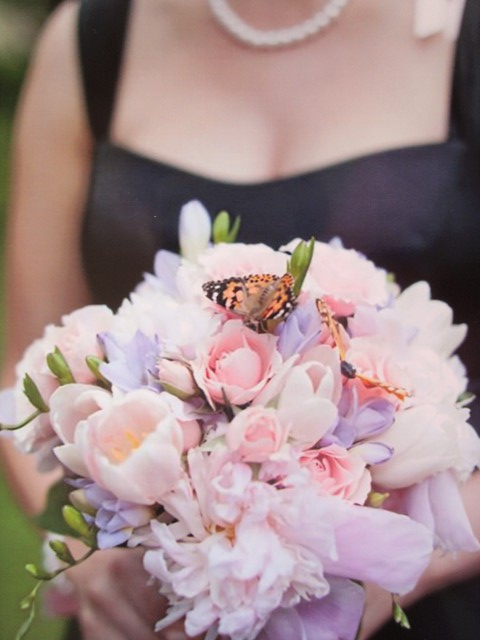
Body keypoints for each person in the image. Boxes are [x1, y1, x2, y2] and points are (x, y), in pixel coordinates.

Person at [1, 0, 480, 638]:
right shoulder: (92, 38)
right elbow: (20, 370)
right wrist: (86, 559)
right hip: (151, 615)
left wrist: (395, 568)